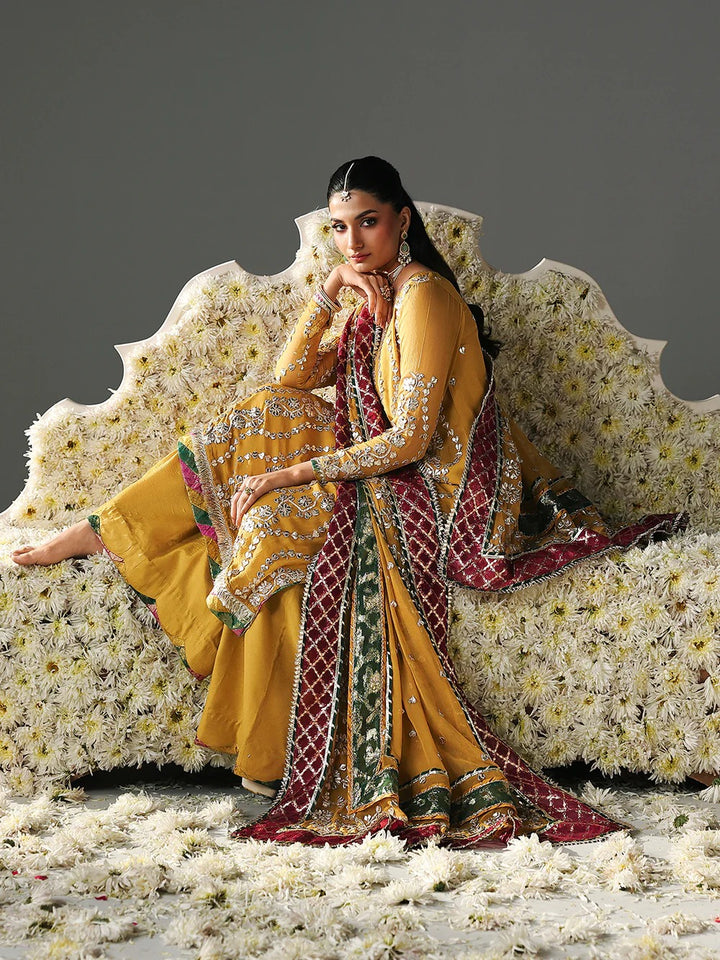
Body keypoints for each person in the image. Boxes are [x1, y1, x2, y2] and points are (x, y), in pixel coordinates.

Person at [11, 156, 688, 847]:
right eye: (339, 229)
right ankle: (109, 529)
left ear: (402, 219)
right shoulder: (377, 291)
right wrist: (330, 291)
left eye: (367, 222)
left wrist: (291, 475)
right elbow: (292, 380)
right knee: (261, 414)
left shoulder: (423, 295)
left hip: (441, 494)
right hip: (384, 469)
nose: (355, 241)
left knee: (270, 522)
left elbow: (412, 441)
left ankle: (265, 747)